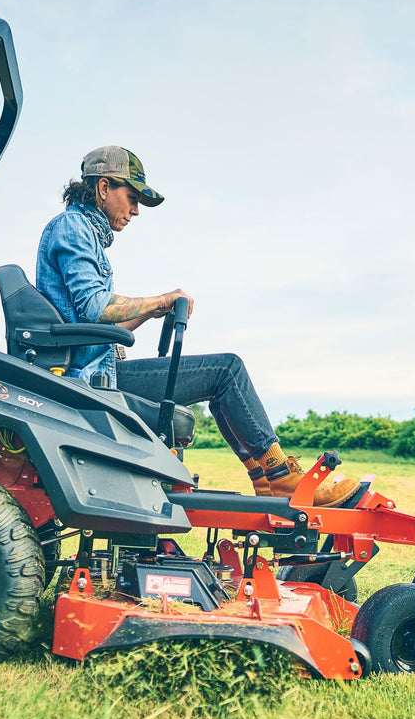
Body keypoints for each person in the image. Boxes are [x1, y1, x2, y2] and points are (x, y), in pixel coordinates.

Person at [35, 145, 358, 507]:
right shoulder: (73, 227)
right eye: (132, 197)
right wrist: (160, 299)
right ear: (104, 187)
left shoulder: (82, 232)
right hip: (88, 381)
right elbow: (95, 307)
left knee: (221, 379)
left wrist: (153, 312)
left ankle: (266, 481)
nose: (136, 210)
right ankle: (280, 474)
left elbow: (102, 321)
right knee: (226, 370)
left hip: (98, 371)